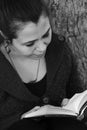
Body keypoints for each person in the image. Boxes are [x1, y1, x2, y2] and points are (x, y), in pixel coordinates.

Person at [0, 0, 87, 130]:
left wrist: (73, 106)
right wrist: (19, 118)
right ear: (6, 37)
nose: (42, 48)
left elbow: (76, 93)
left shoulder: (60, 49)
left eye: (46, 34)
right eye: (30, 44)